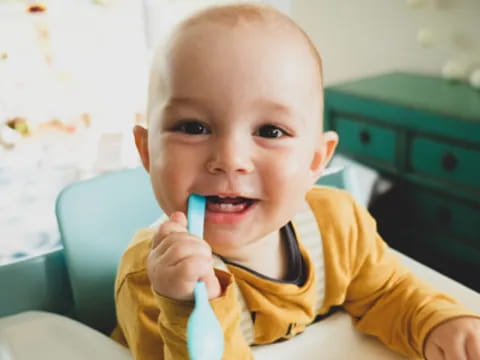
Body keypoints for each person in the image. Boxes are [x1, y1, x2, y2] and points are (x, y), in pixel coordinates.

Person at [112, 4, 480, 359]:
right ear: (147, 152)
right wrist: (186, 308)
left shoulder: (338, 226)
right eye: (193, 127)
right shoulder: (151, 279)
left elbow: (386, 293)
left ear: (316, 159)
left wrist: (438, 325)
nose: (230, 159)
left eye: (270, 130)